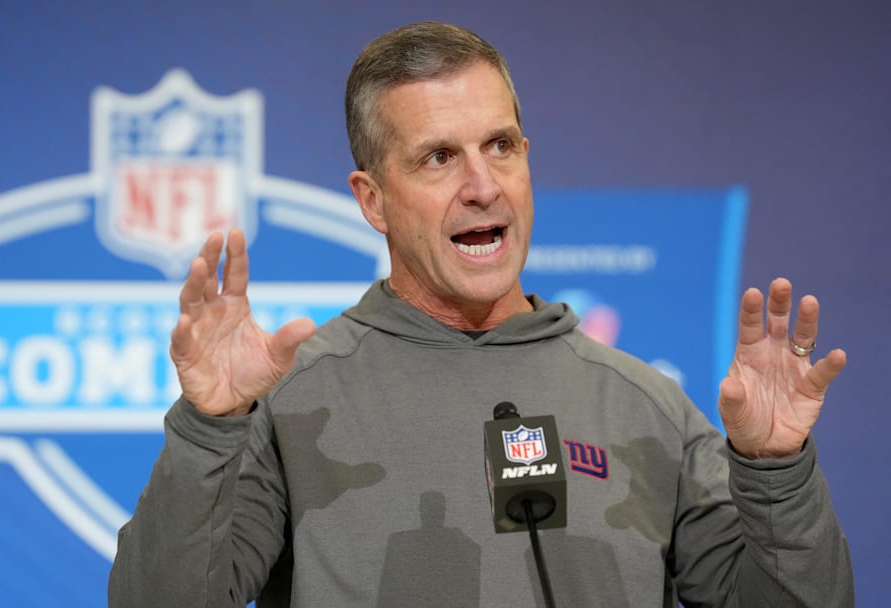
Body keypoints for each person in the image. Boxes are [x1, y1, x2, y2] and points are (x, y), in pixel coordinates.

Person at [109, 21, 853, 607]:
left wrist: (776, 472)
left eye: (500, 147)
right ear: (372, 200)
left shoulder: (646, 403)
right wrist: (208, 427)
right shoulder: (293, 398)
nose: (482, 186)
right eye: (438, 158)